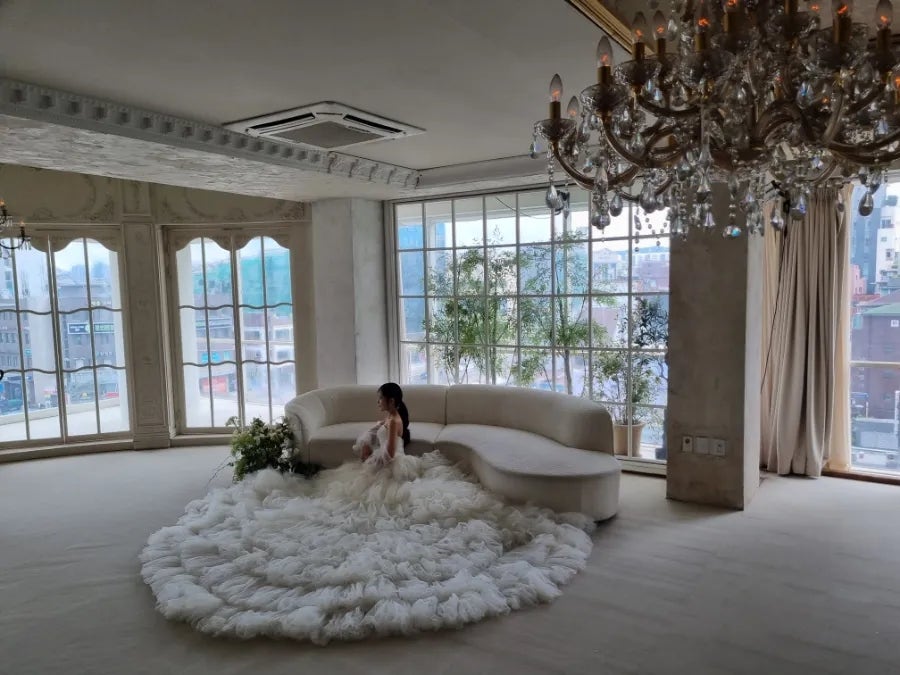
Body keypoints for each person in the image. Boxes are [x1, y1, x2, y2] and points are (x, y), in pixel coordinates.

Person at [354, 382, 411, 468]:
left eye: (381, 398)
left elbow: (390, 455)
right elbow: (379, 428)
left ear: (391, 401)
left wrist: (370, 460)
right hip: (384, 458)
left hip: (391, 465)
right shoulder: (390, 417)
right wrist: (366, 443)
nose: (378, 401)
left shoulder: (393, 421)